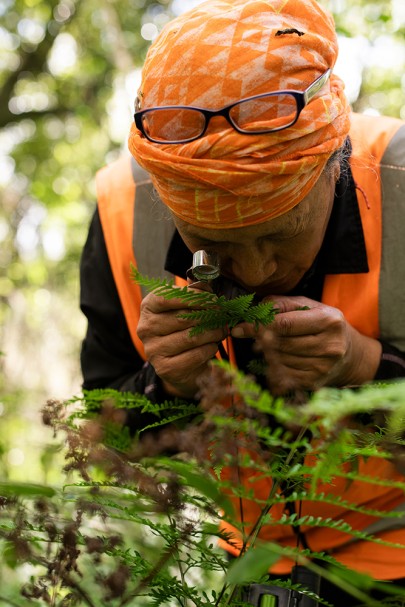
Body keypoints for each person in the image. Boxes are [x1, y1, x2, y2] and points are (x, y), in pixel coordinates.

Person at [80, 0, 405, 603]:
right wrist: (167, 387)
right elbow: (103, 442)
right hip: (250, 569)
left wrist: (366, 367)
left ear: (334, 173)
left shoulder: (400, 185)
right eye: (212, 247)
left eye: (282, 234)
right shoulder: (121, 213)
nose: (256, 273)